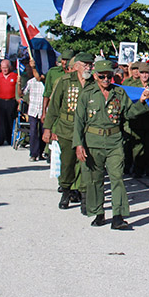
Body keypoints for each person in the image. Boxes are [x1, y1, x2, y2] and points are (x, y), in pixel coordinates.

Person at [74, 59, 149, 229]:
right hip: (93, 142)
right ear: (95, 76)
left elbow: (129, 113)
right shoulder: (87, 94)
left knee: (117, 178)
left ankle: (118, 216)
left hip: (114, 141)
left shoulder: (119, 93)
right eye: (102, 76)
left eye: (109, 76)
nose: (106, 80)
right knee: (96, 179)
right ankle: (99, 213)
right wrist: (79, 145)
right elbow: (79, 121)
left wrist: (142, 101)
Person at [44, 52, 95, 210]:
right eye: (85, 65)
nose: (89, 67)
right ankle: (66, 190)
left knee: (84, 162)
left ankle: (81, 192)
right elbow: (54, 106)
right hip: (67, 127)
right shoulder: (65, 81)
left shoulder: (94, 82)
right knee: (67, 163)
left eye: (90, 65)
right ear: (77, 66)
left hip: (86, 129)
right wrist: (48, 128)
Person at [23, 57, 46, 161]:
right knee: (33, 132)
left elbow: (38, 78)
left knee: (42, 132)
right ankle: (33, 153)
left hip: (43, 111)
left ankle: (41, 152)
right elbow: (23, 93)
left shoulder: (45, 82)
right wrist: (18, 84)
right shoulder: (30, 82)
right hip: (33, 110)